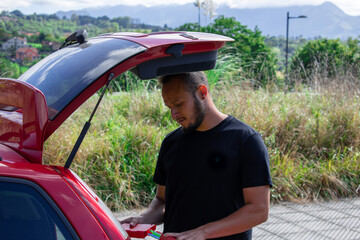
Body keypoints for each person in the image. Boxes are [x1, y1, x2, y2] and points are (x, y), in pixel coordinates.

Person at [121, 72, 272, 240]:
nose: (174, 114)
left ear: (202, 92)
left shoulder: (246, 140)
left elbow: (258, 210)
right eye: (169, 107)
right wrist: (144, 218)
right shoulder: (171, 143)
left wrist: (203, 232)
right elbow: (162, 200)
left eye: (178, 104)